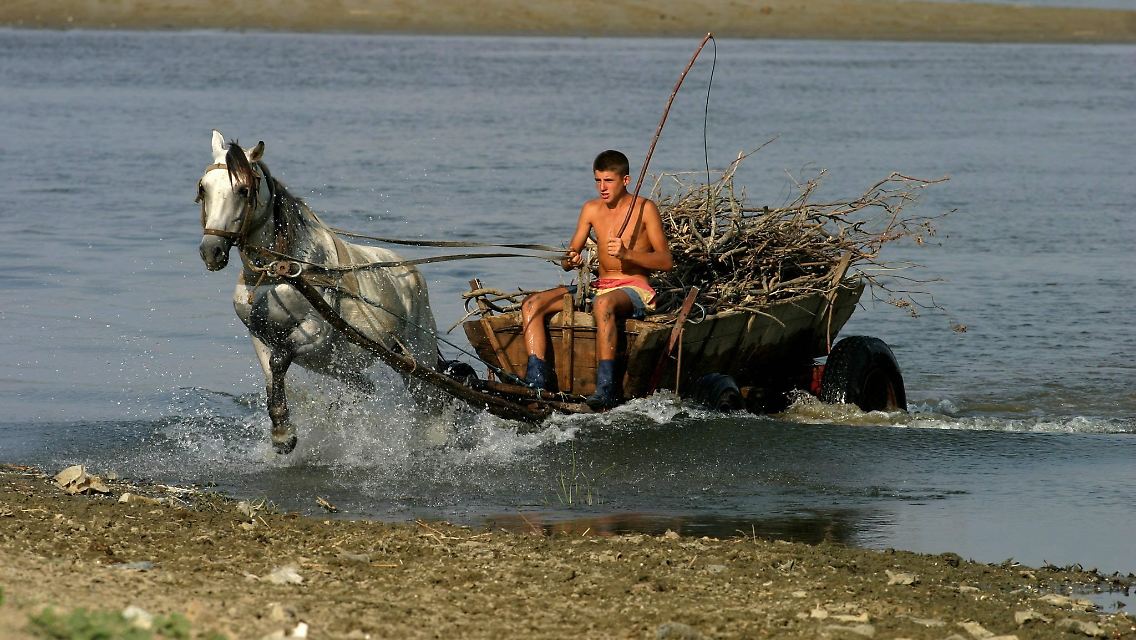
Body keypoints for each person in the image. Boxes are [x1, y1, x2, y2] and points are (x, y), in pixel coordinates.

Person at [520, 150, 672, 410]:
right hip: (599, 287)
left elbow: (666, 261)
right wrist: (571, 260)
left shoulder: (645, 209)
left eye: (609, 181)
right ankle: (536, 382)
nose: (602, 187)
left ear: (625, 180)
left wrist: (628, 254)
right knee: (531, 304)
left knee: (602, 305)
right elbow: (568, 258)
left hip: (634, 287)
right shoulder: (591, 209)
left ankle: (606, 389)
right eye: (598, 181)